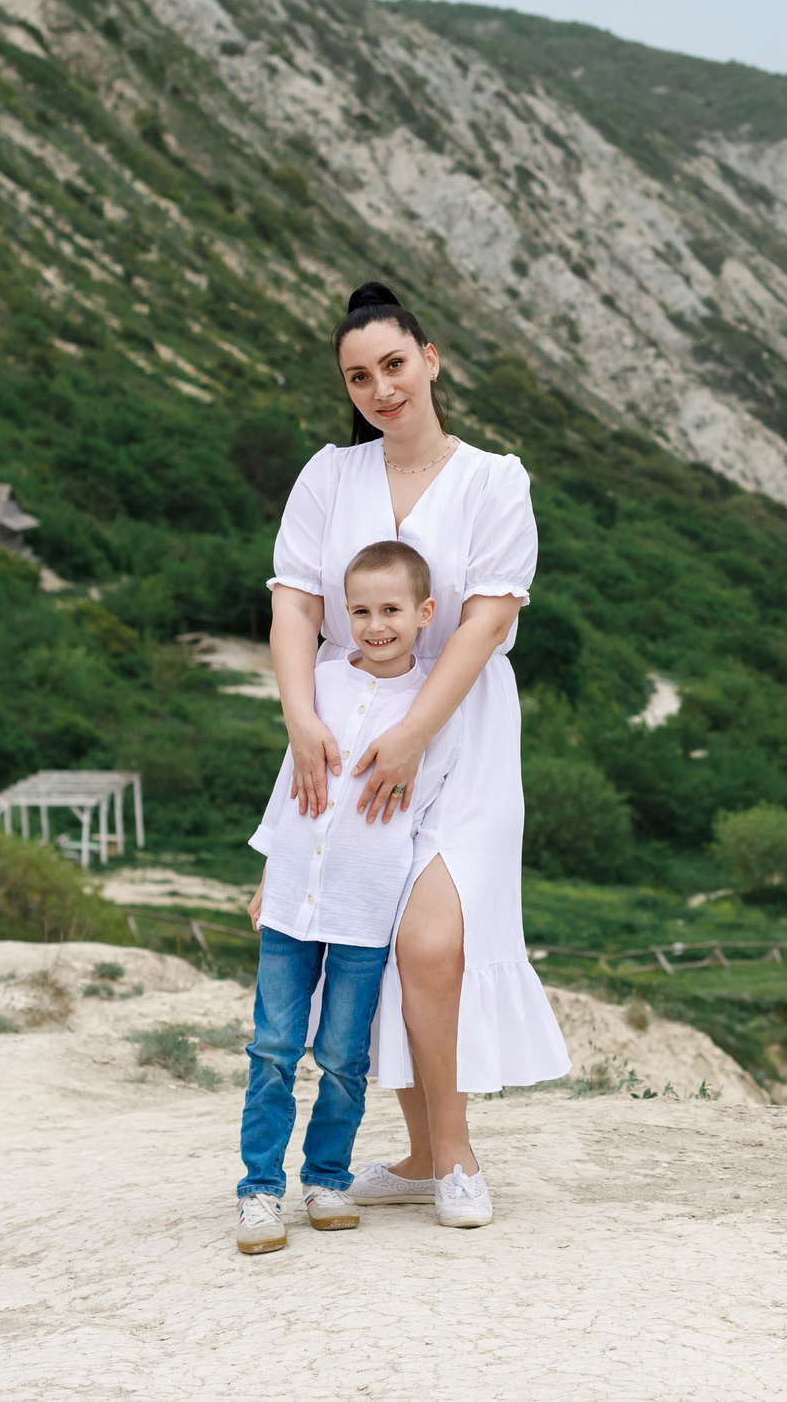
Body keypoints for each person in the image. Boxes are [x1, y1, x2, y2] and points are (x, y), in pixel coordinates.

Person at [267, 282, 569, 1232]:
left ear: (430, 360)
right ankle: (418, 1154)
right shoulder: (328, 475)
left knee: (432, 942)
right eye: (359, 375)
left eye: (394, 364)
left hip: (461, 732)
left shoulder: (494, 478)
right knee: (364, 940)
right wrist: (298, 718)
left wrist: (416, 732)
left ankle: (458, 1154)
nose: (379, 388)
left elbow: (484, 623)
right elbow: (291, 605)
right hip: (345, 733)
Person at [232, 539, 460, 1256]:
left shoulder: (433, 704)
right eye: (359, 609)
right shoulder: (324, 680)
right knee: (273, 1046)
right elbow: (288, 781)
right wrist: (270, 870)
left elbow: (431, 812)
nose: (375, 623)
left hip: (366, 909)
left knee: (340, 1055)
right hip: (296, 895)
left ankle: (326, 1177)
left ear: (424, 613)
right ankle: (259, 1191)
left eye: (391, 608)